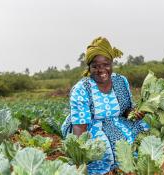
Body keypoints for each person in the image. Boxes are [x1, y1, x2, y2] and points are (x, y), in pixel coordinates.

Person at [61, 37, 150, 175]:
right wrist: (81, 155)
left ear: (111, 64)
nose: (101, 70)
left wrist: (133, 113)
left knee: (143, 131)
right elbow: (80, 126)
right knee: (107, 145)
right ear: (89, 68)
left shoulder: (120, 81)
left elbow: (126, 109)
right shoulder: (82, 88)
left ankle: (130, 168)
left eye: (106, 64)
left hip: (117, 121)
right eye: (95, 66)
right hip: (90, 126)